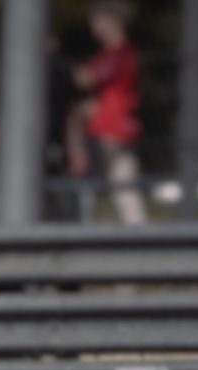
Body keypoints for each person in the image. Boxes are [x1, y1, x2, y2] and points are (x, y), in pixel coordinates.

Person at [75, 1, 145, 226]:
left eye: (98, 22)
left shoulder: (121, 54)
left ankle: (136, 234)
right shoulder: (107, 54)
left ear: (114, 22)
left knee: (93, 184)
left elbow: (86, 78)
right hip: (103, 128)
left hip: (110, 129)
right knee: (120, 186)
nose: (94, 28)